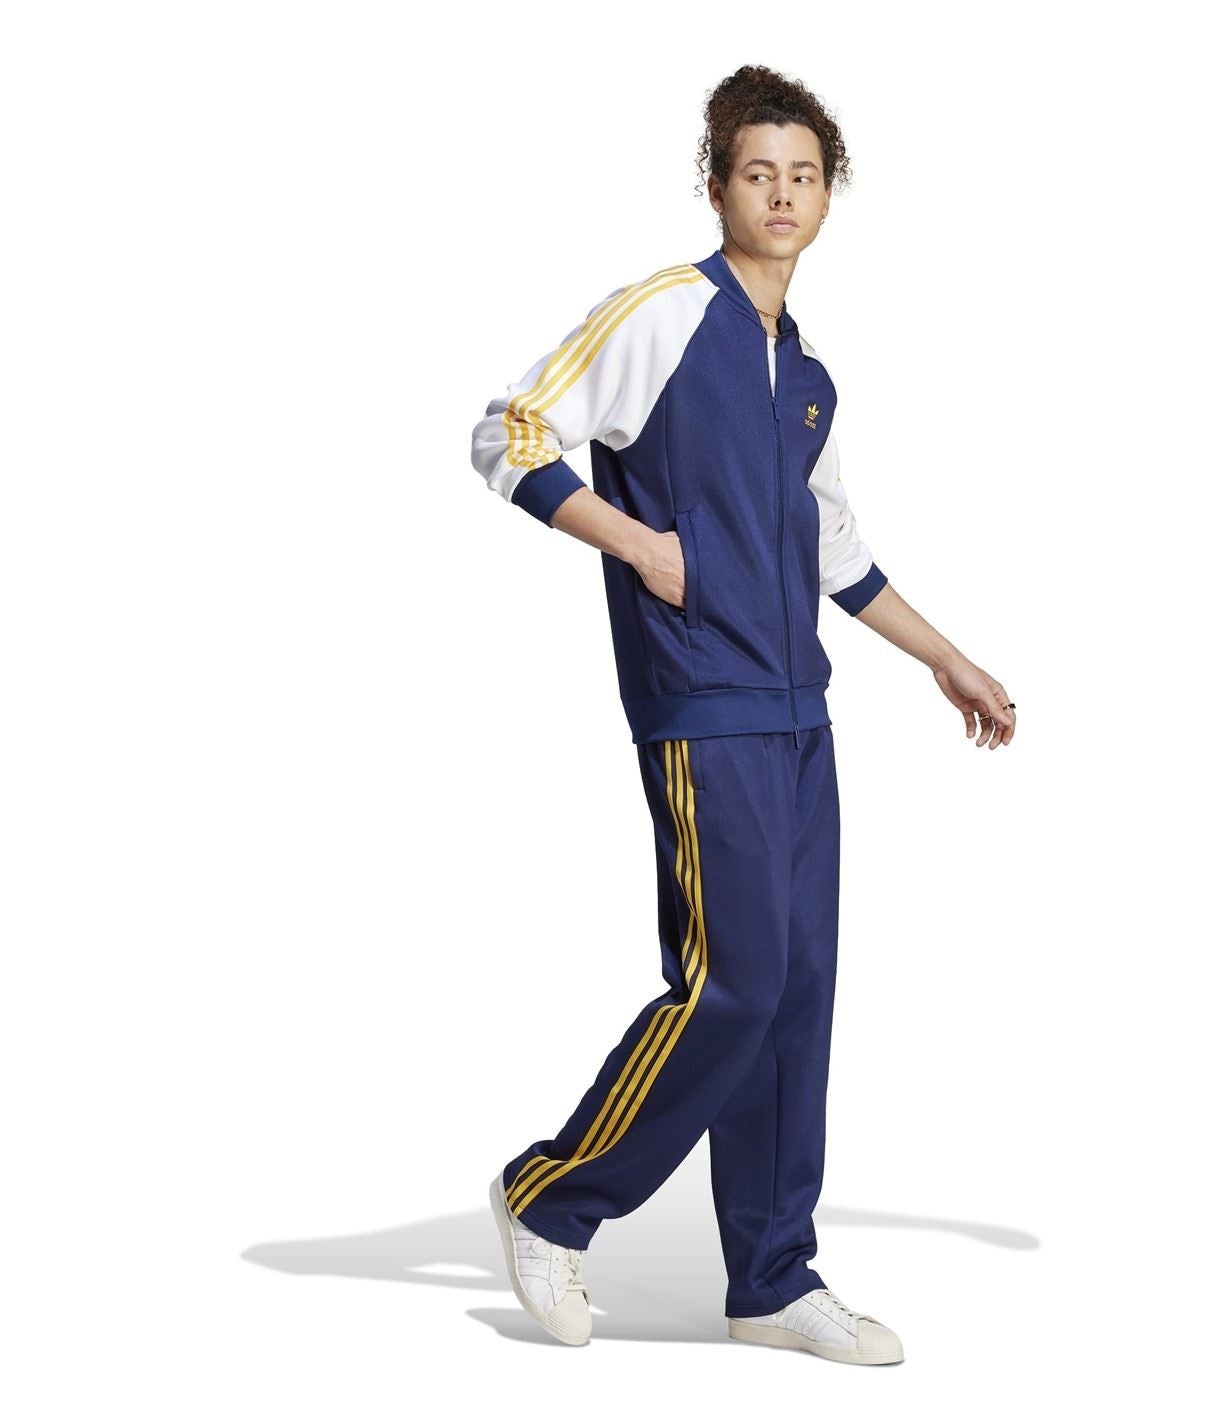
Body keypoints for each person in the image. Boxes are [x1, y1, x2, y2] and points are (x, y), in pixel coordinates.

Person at [470, 65, 1016, 1366]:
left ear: (828, 196)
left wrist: (945, 659)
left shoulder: (809, 373)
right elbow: (510, 434)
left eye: (803, 175)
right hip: (702, 701)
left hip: (798, 714)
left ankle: (771, 1277)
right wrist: (635, 543)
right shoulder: (664, 314)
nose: (781, 194)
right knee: (735, 983)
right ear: (716, 186)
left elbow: (837, 553)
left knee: (798, 993)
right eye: (757, 172)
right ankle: (552, 1195)